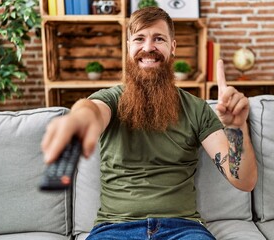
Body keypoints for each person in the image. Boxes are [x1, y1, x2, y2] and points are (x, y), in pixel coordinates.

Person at [41, 7, 257, 240]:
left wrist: (237, 127)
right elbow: (91, 111)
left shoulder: (197, 109)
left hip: (183, 229)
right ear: (128, 46)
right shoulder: (111, 100)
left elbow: (244, 181)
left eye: (159, 39)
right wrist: (77, 119)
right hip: (114, 229)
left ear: (172, 47)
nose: (148, 48)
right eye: (139, 39)